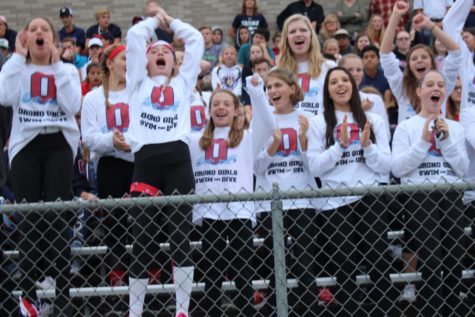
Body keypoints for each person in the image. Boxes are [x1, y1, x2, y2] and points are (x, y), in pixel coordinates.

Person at [125, 4, 204, 317]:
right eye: (154, 51)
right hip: (146, 161)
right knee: (142, 240)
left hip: (178, 161)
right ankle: (135, 311)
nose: (160, 54)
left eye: (167, 52)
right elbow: (133, 36)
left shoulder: (184, 83)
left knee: (180, 237)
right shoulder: (136, 83)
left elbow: (195, 39)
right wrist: (154, 21)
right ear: (145, 60)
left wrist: (171, 22)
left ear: (175, 62)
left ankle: (181, 310)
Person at [0, 16, 81, 316]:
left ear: (53, 39)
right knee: (30, 216)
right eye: (32, 29)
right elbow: (4, 95)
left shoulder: (67, 69)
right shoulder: (16, 68)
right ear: (25, 37)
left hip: (58, 142)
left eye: (44, 29)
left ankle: (63, 295)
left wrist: (57, 65)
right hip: (26, 147)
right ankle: (31, 296)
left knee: (58, 216)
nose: (38, 33)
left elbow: (73, 105)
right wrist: (18, 57)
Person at [306, 66, 392, 316]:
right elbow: (315, 167)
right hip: (335, 203)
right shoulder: (318, 122)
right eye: (334, 82)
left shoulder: (373, 120)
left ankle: (383, 311)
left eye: (345, 80)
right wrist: (339, 147)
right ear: (328, 91)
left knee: (379, 259)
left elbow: (386, 165)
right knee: (344, 264)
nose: (340, 85)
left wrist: (368, 148)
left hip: (369, 198)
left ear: (354, 86)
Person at [391, 70, 469, 316]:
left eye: (440, 85)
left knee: (455, 255)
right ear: (419, 91)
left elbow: (463, 168)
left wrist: (445, 141)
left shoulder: (455, 127)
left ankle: (452, 307)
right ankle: (432, 309)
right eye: (430, 85)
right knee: (432, 258)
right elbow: (398, 168)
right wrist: (424, 140)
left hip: (450, 195)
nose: (436, 88)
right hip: (420, 197)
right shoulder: (406, 127)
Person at [184, 89, 268, 317]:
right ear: (208, 110)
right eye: (216, 104)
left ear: (236, 111)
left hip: (240, 212)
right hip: (210, 213)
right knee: (212, 273)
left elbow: (268, 124)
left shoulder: (248, 138)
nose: (221, 108)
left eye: (226, 104)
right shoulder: (195, 140)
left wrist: (255, 90)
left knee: (243, 272)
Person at [248, 68, 321, 316]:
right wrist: (273, 146)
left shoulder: (308, 117)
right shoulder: (261, 121)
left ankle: (308, 308)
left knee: (304, 260)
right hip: (271, 201)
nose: (272, 91)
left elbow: (314, 165)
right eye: (268, 87)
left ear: (292, 88)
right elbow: (255, 167)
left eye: (278, 85)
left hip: (302, 201)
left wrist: (303, 143)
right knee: (273, 260)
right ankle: (276, 308)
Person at [81, 44, 133, 297]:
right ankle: (117, 271)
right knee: (115, 218)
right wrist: (112, 141)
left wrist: (132, 141)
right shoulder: (92, 98)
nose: (129, 62)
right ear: (110, 63)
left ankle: (151, 270)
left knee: (148, 216)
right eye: (124, 58)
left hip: (139, 162)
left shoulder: (139, 92)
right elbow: (89, 137)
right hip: (110, 162)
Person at [380, 1, 462, 124]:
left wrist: (431, 26)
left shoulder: (442, 84)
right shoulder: (402, 86)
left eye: (424, 57)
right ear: (409, 66)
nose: (419, 60)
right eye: (414, 59)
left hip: (438, 142)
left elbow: (456, 53)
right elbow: (385, 55)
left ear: (432, 63)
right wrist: (395, 16)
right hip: (407, 143)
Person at [277, 14, 336, 116]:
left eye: (303, 30)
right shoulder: (277, 72)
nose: (298, 34)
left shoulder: (329, 67)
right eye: (292, 31)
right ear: (286, 39)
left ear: (311, 35)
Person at [339, 53, 390, 134]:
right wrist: (360, 111)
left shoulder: (375, 100)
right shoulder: (332, 100)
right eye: (350, 70)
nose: (355, 74)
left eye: (359, 70)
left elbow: (385, 134)